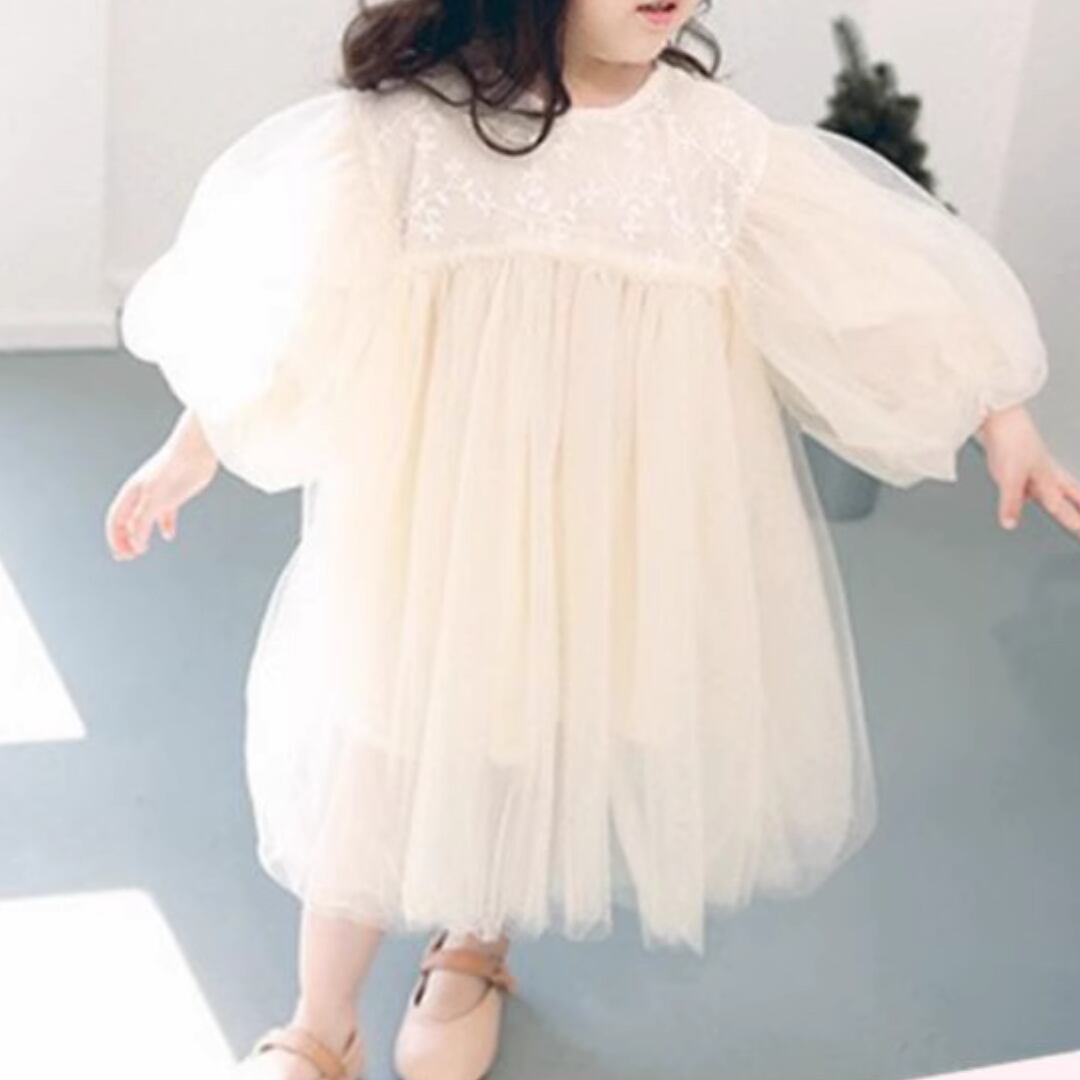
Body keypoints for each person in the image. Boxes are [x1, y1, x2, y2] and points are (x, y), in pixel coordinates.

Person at [104, 1, 1080, 1078]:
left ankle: (473, 941)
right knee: (381, 743)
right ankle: (319, 1022)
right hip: (437, 518)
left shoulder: (710, 146)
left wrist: (998, 411)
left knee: (526, 724)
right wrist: (195, 441)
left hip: (608, 523)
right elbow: (300, 288)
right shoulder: (416, 130)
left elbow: (865, 277)